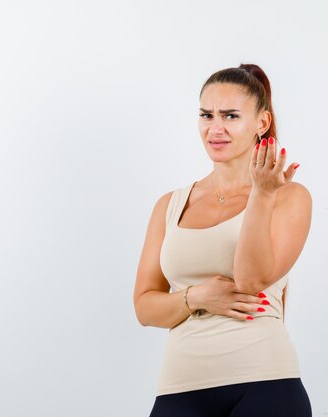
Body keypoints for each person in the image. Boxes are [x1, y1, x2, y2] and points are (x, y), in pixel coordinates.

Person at [133, 63, 313, 417]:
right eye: (206, 115)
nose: (215, 128)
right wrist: (197, 296)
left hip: (265, 382)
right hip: (180, 386)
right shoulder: (170, 205)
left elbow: (251, 279)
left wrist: (262, 194)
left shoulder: (289, 197)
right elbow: (144, 307)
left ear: (261, 123)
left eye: (230, 116)